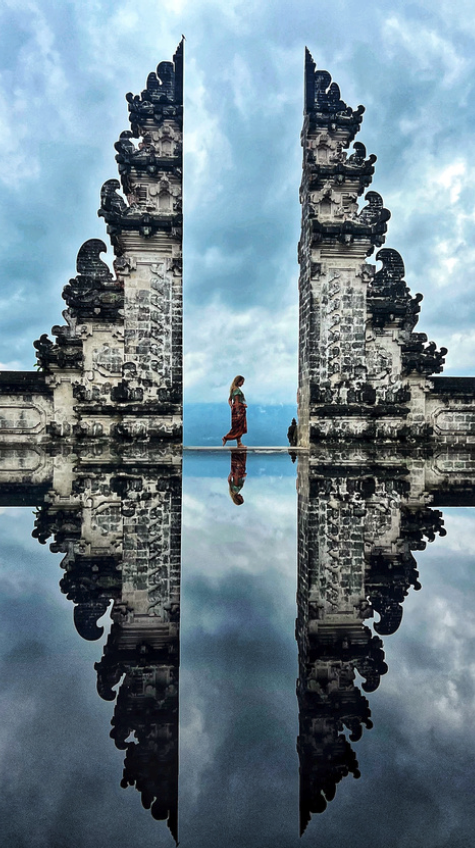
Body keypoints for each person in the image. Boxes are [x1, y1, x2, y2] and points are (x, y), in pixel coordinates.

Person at [222, 375, 247, 447]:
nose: (242, 383)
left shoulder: (233, 390)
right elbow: (236, 402)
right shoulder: (237, 391)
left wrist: (231, 407)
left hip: (235, 410)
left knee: (236, 427)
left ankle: (238, 442)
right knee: (239, 427)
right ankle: (236, 442)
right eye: (242, 382)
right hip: (239, 410)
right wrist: (238, 411)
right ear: (238, 381)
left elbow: (230, 400)